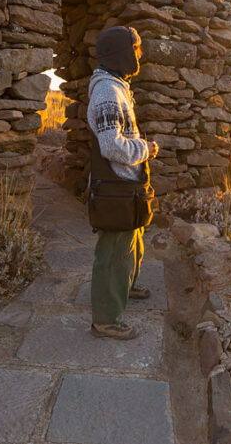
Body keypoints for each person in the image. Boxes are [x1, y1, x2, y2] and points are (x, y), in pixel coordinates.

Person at [87, 26, 159, 340]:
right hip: (117, 186)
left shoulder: (117, 86)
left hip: (126, 185)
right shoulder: (107, 91)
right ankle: (106, 319)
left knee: (131, 244)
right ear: (122, 53)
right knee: (114, 252)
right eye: (136, 48)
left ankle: (125, 286)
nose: (140, 54)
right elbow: (112, 146)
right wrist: (146, 149)